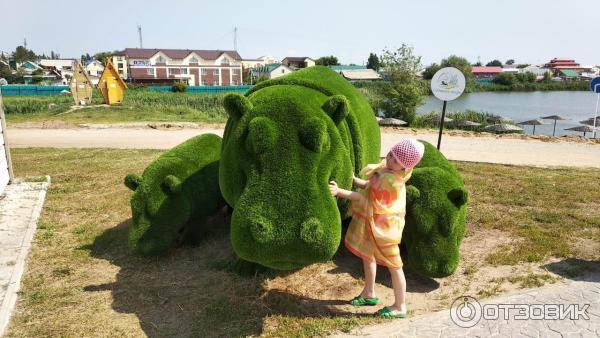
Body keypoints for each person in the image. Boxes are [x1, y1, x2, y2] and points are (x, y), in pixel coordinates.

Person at [328, 139, 424, 318]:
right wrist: (354, 180)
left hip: (385, 231)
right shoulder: (387, 171)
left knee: (395, 266)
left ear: (404, 167)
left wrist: (340, 192)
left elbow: (365, 198)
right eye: (390, 155)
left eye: (396, 160)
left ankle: (400, 306)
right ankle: (369, 293)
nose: (390, 160)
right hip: (375, 225)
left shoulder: (390, 180)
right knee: (368, 255)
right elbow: (368, 187)